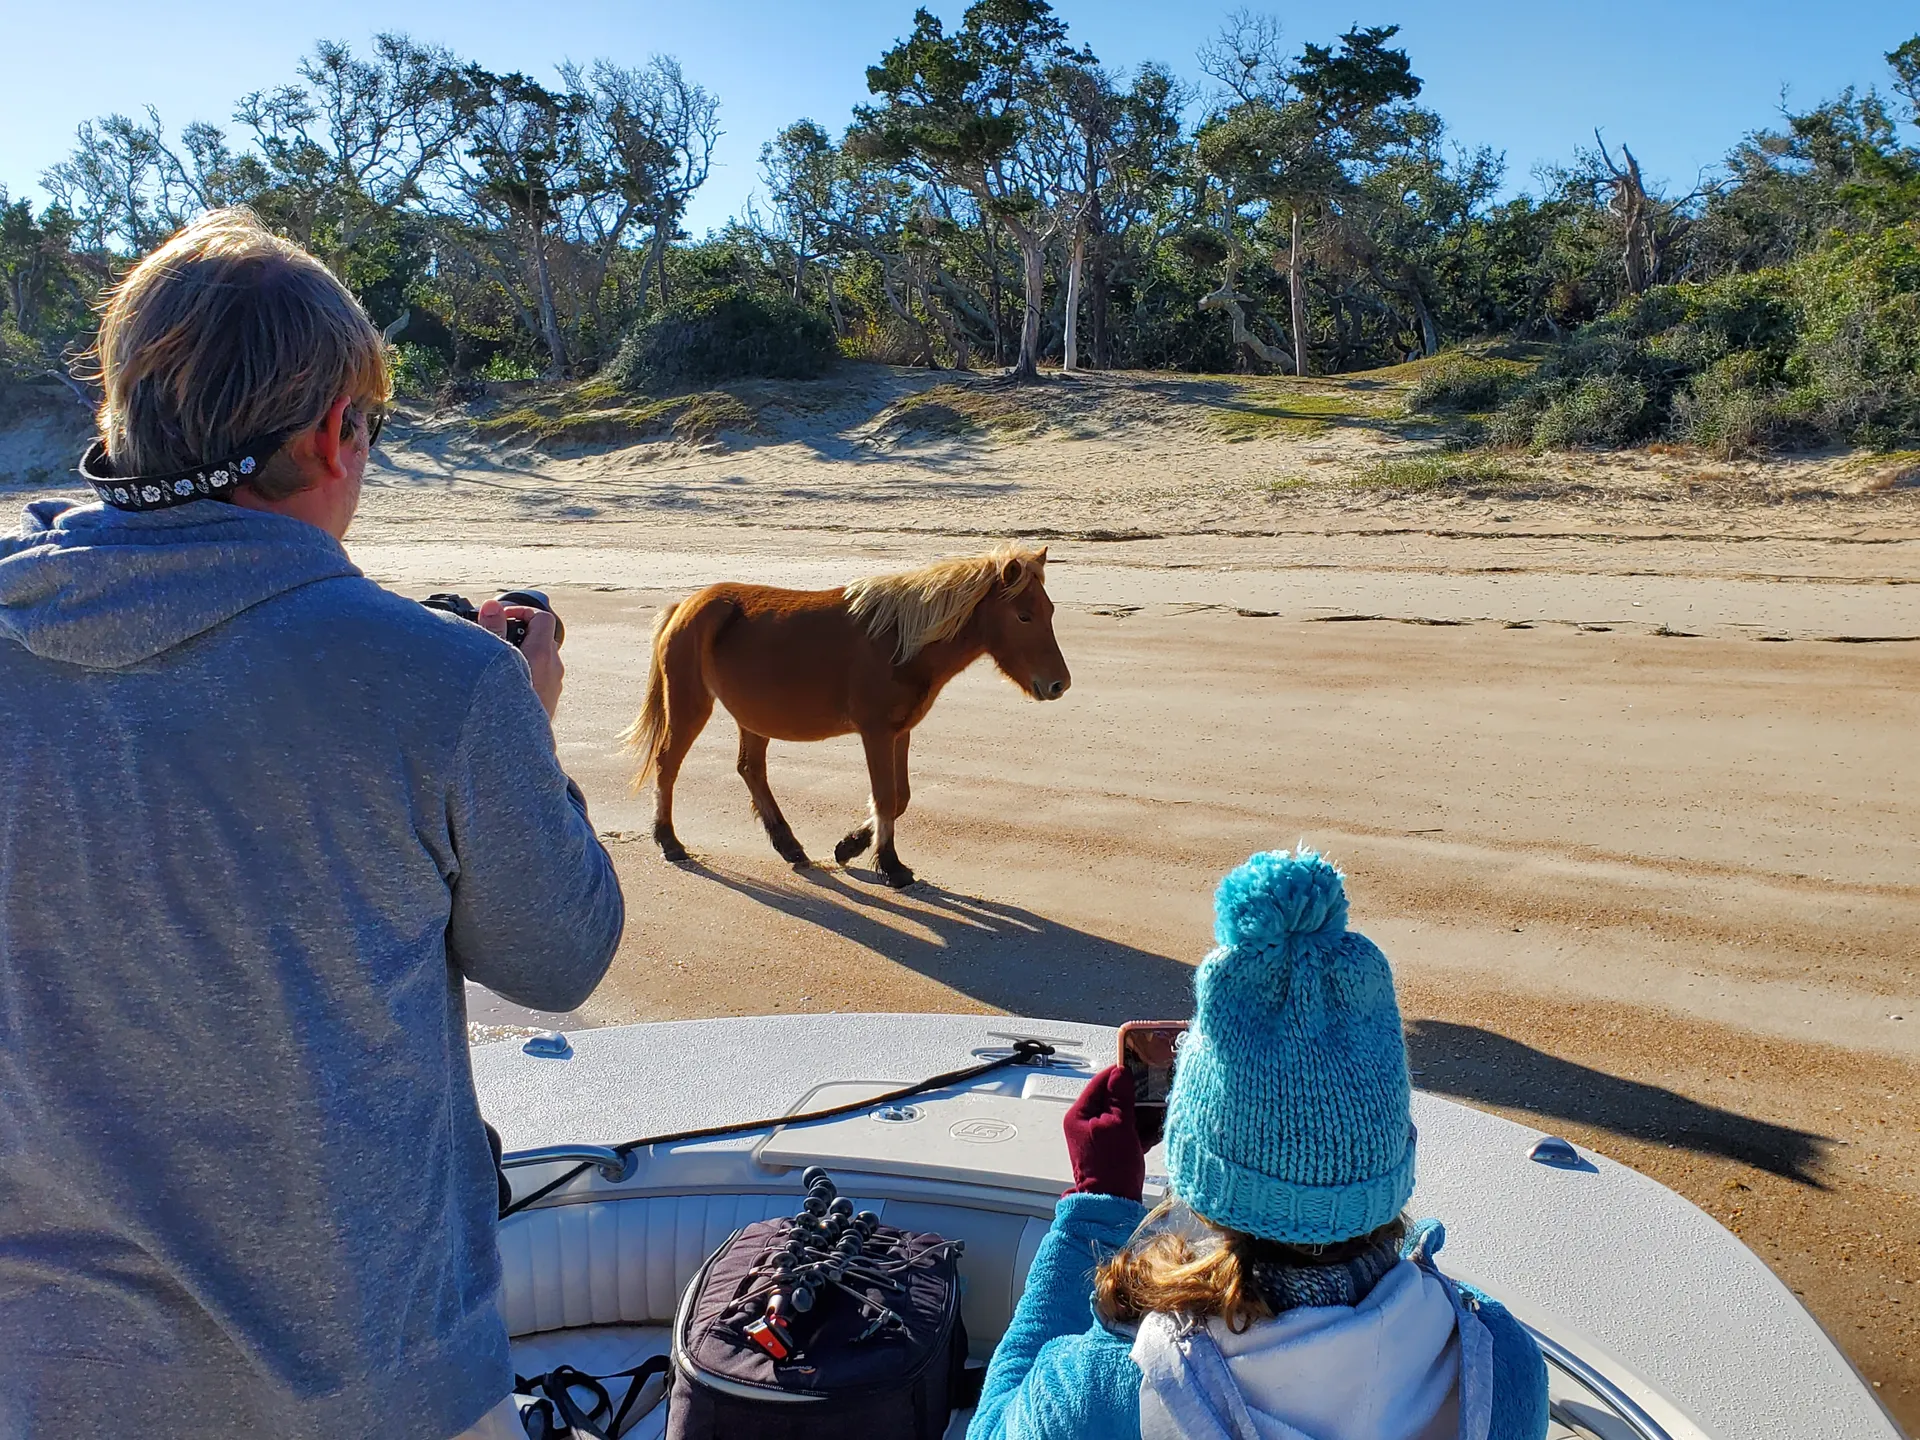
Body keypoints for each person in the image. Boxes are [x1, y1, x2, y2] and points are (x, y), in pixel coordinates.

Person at [0, 209, 624, 1439]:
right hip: (376, 1377)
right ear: (338, 431)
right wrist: (523, 724)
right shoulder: (440, 681)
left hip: (49, 1373)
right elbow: (556, 961)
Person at [970, 849, 1549, 1440]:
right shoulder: (1499, 1364)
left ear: (1198, 1162)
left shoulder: (1105, 1387)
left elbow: (990, 1428)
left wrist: (1094, 1211)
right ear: (1390, 1149)